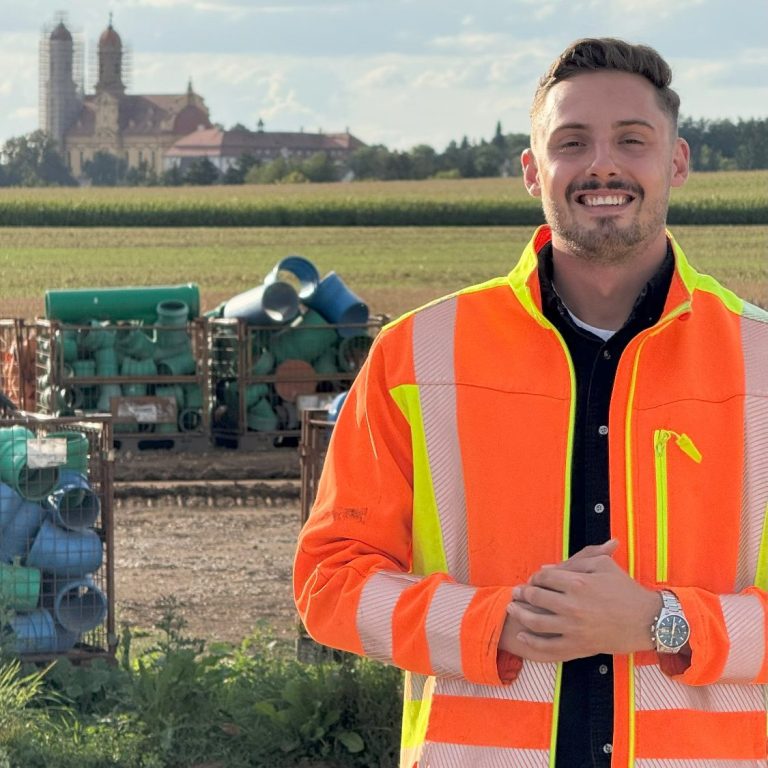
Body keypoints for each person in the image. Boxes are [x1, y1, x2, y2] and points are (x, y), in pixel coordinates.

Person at [294, 37, 768, 767]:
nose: (602, 164)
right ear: (531, 169)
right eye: (571, 142)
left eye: (632, 140)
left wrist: (664, 622)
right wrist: (497, 624)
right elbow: (329, 583)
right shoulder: (416, 355)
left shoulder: (761, 362)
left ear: (676, 161)